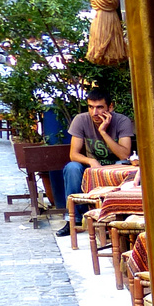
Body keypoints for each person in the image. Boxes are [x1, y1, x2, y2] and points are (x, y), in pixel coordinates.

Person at [58, 86, 135, 238]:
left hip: (117, 167)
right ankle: (74, 220)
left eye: (100, 108)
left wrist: (103, 132)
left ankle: (116, 218)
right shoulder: (80, 120)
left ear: (110, 107)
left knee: (125, 167)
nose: (94, 113)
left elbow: (124, 154)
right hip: (91, 167)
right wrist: (90, 160)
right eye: (91, 107)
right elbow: (73, 154)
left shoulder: (122, 121)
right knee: (72, 168)